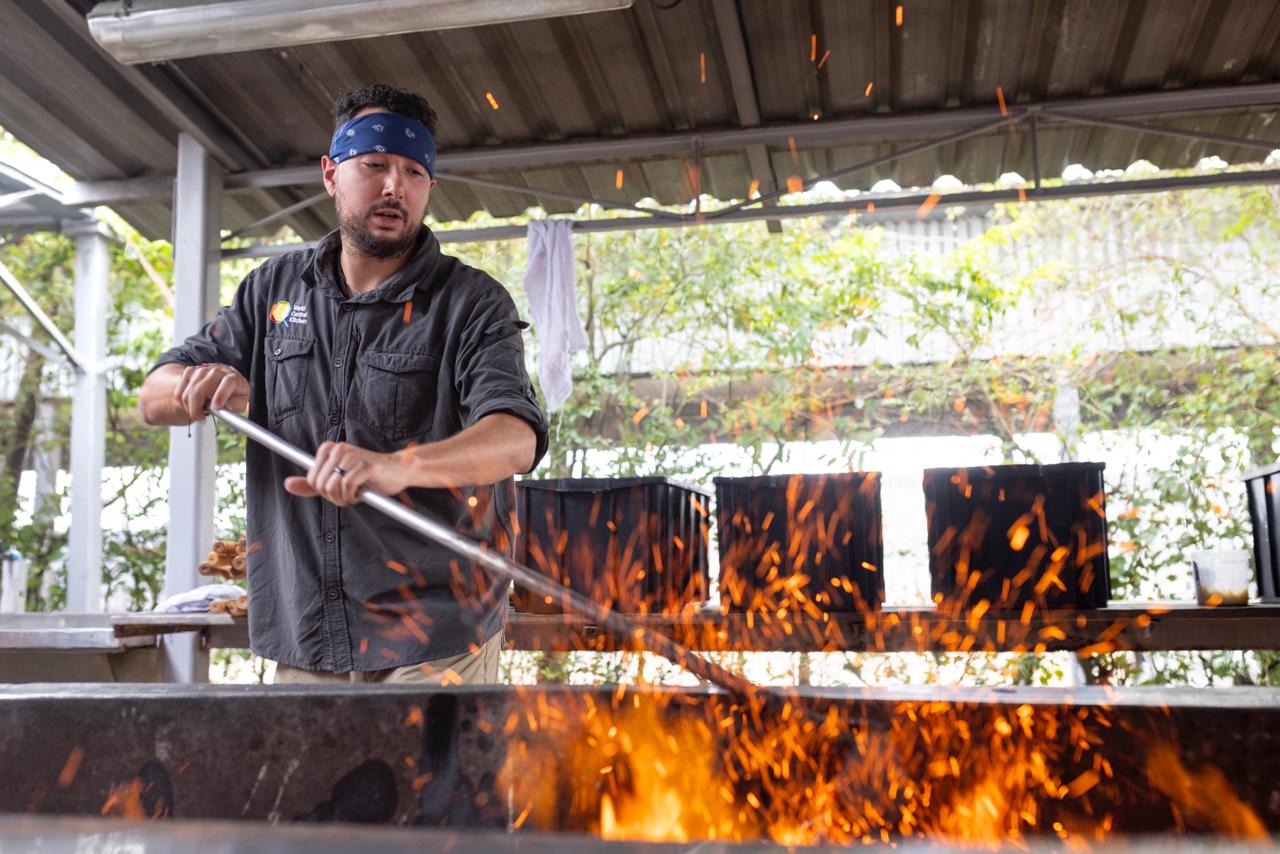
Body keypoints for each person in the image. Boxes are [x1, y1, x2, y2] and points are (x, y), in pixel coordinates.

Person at [139, 83, 549, 684]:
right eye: (375, 165)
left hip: (434, 636)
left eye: (414, 172)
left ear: (429, 188)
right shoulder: (273, 291)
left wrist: (396, 465)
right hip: (306, 631)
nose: (394, 186)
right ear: (331, 173)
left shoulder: (471, 302)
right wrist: (197, 383)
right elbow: (153, 398)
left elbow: (515, 438)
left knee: (426, 783)